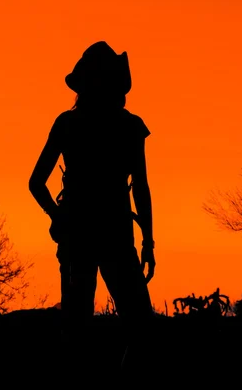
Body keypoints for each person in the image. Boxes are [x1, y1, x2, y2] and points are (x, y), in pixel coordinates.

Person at [28, 41, 156, 374]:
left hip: (92, 238)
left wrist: (60, 219)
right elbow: (140, 187)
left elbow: (35, 183)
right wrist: (148, 242)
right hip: (103, 237)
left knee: (81, 330)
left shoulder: (73, 124)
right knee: (130, 327)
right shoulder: (124, 126)